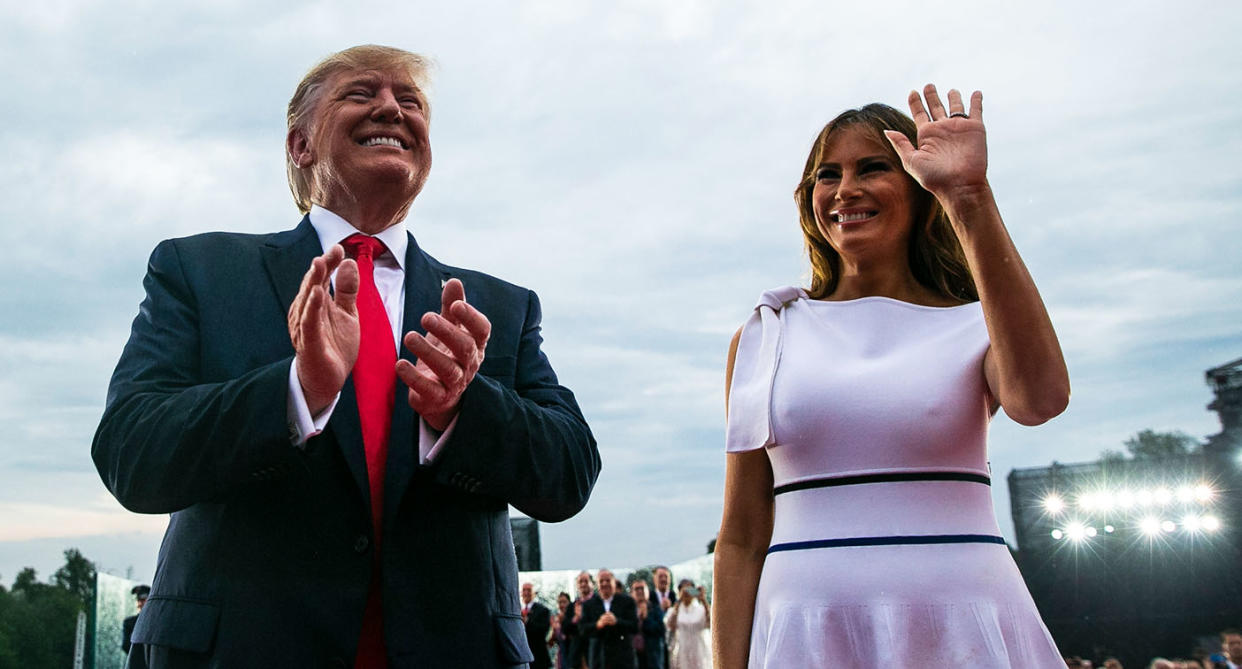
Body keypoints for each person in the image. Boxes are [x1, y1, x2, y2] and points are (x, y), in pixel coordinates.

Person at [92, 44, 600, 668]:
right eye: (361, 94)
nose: (390, 107)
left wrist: (465, 410)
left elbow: (571, 474)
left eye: (409, 101)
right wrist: (295, 391)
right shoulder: (198, 271)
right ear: (299, 145)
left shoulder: (500, 306)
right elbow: (131, 453)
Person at [713, 84, 1070, 667]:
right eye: (828, 174)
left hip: (964, 619)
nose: (846, 189)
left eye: (873, 167)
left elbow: (1041, 400)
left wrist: (970, 198)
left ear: (917, 187)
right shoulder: (765, 332)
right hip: (806, 629)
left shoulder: (978, 321)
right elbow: (743, 536)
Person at [581, 569, 639, 669]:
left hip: (622, 658)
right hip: (599, 658)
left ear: (614, 582)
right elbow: (582, 629)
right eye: (601, 581)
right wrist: (598, 624)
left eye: (608, 580)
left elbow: (634, 626)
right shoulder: (588, 605)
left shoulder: (627, 601)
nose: (605, 584)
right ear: (597, 584)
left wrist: (617, 622)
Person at [665, 580, 709, 669]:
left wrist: (703, 600)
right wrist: (679, 601)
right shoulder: (674, 610)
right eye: (684, 589)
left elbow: (710, 623)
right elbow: (670, 625)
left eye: (690, 589)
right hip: (681, 650)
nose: (687, 592)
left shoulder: (700, 609)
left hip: (698, 650)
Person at [562, 570, 597, 668]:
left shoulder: (598, 603)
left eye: (586, 581)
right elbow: (564, 629)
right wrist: (575, 619)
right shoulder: (572, 606)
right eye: (580, 582)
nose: (583, 584)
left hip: (594, 651)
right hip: (576, 653)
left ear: (592, 583)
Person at [630, 580, 665, 669]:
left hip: (652, 656)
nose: (639, 591)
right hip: (633, 657)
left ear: (648, 591)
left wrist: (646, 618)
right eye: (636, 589)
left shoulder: (656, 609)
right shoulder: (628, 610)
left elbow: (661, 630)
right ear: (631, 593)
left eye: (642, 588)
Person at [523, 582, 553, 669]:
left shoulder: (543, 610)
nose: (526, 593)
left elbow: (543, 629)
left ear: (534, 593)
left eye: (529, 590)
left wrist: (528, 621)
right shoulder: (516, 610)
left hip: (538, 656)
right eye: (524, 590)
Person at [122, 584, 150, 668]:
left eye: (143, 600)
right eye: (139, 600)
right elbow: (126, 645)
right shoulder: (130, 622)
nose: (140, 604)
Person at [553, 592, 573, 669]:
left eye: (564, 602)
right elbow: (551, 641)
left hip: (572, 654)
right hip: (561, 656)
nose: (562, 605)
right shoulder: (556, 619)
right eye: (559, 602)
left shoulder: (573, 619)